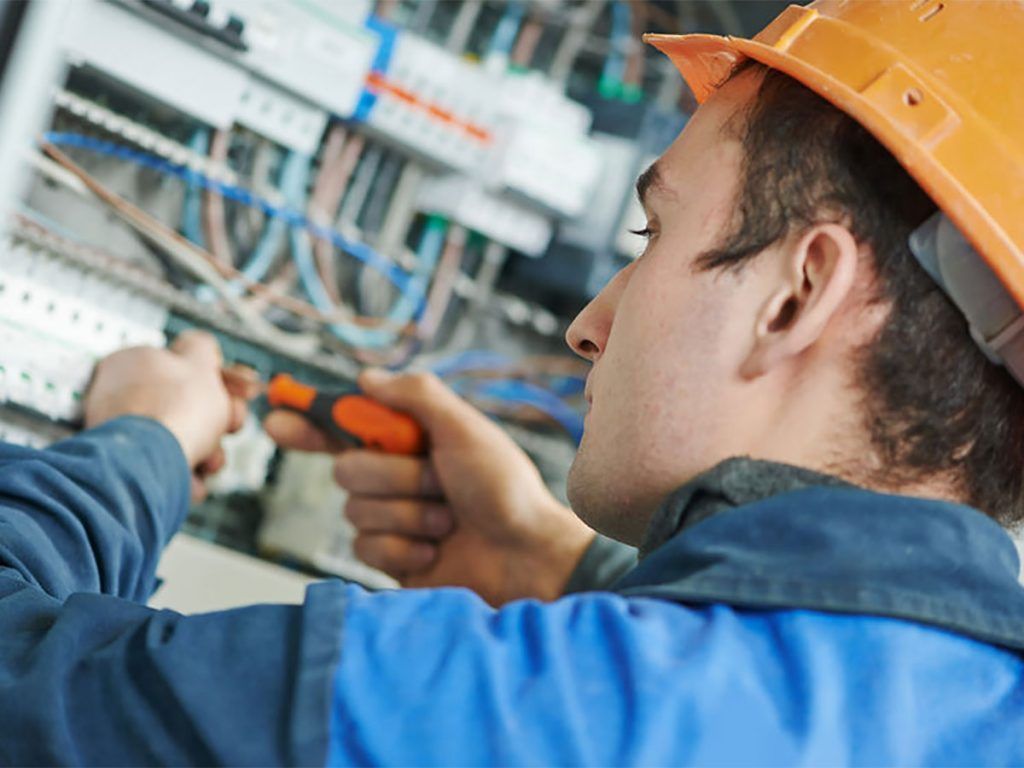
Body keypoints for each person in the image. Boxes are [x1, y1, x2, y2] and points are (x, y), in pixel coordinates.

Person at [2, 0, 1023, 764]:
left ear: (797, 295)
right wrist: (563, 568)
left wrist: (136, 448)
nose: (589, 327)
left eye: (653, 235)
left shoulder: (500, 707)